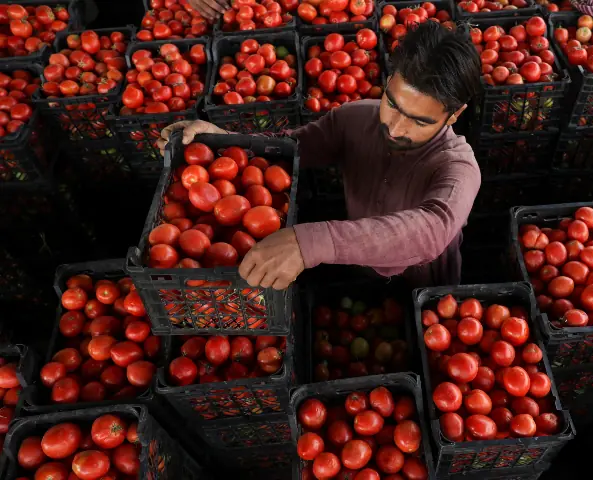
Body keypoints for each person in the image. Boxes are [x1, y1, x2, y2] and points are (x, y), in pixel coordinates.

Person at [157, 21, 482, 290]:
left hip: (426, 288)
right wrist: (222, 141)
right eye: (392, 103)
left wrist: (311, 242)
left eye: (419, 120)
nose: (395, 127)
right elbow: (294, 147)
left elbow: (432, 229)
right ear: (388, 81)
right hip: (353, 265)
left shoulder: (458, 167)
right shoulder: (354, 118)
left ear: (454, 115)